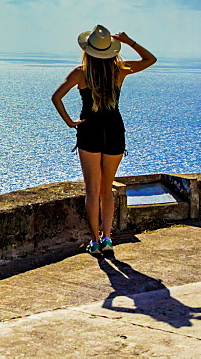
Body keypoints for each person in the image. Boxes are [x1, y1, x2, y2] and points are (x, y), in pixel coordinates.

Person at [51, 25, 156, 255]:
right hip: (114, 131)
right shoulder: (119, 70)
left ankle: (95, 241)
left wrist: (69, 122)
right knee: (106, 188)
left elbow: (56, 97)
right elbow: (150, 59)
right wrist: (130, 41)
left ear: (88, 50)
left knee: (92, 189)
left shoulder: (80, 73)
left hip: (89, 131)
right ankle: (108, 237)